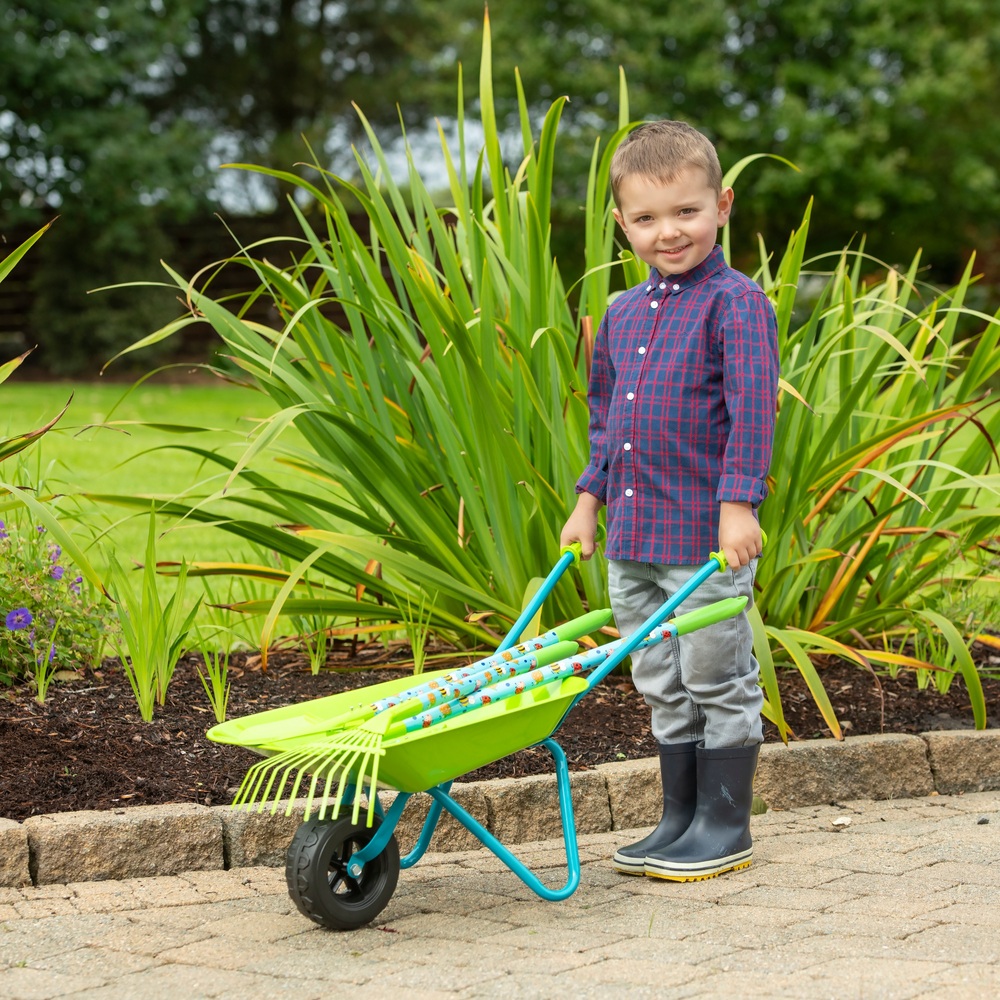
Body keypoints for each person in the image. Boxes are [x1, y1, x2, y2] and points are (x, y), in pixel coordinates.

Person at [560, 120, 779, 881]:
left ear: (721, 205)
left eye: (685, 212)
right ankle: (679, 817)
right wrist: (588, 498)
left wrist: (738, 504)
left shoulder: (737, 304)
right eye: (647, 218)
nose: (668, 232)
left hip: (704, 540)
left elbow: (753, 410)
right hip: (633, 538)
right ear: (622, 223)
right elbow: (607, 417)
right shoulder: (620, 313)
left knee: (716, 675)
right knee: (659, 676)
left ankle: (726, 824)